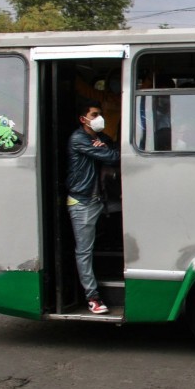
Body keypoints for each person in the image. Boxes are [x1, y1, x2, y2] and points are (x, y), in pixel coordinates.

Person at [66, 100, 120, 314]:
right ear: (83, 119)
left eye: (101, 114)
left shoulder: (100, 138)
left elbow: (115, 147)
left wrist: (105, 145)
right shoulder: (79, 139)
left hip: (101, 200)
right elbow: (114, 156)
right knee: (84, 251)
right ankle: (92, 297)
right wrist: (106, 149)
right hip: (83, 202)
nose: (100, 118)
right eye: (95, 114)